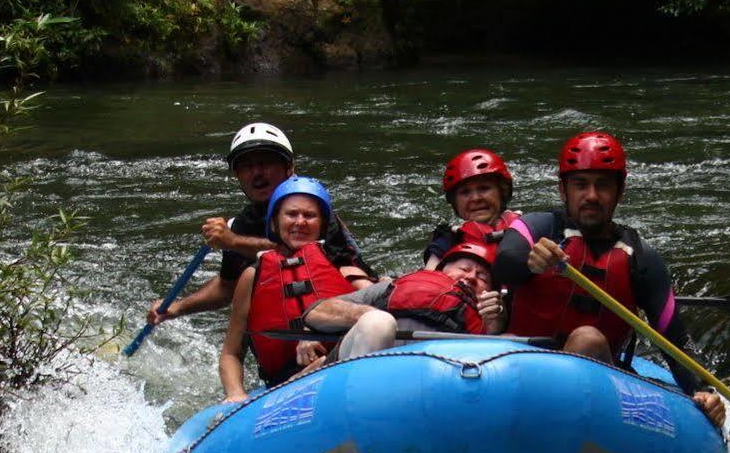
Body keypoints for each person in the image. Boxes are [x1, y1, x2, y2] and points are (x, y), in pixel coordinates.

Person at [492, 132, 727, 431]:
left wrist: (705, 390)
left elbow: (675, 340)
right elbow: (503, 264)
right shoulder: (536, 227)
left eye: (602, 185)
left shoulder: (641, 258)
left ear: (620, 192)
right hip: (521, 373)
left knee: (587, 339)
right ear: (563, 190)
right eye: (580, 184)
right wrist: (530, 263)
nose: (591, 195)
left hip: (598, 390)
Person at [148, 122, 373, 328]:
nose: (256, 173)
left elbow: (305, 253)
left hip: (348, 304)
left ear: (289, 167)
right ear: (238, 175)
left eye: (265, 163)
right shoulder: (240, 225)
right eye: (246, 166)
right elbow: (227, 287)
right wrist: (178, 307)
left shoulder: (313, 208)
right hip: (294, 320)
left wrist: (234, 242)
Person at [215, 176, 359, 402]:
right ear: (274, 223)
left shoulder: (343, 268)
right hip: (281, 385)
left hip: (341, 367)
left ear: (322, 225)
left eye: (309, 216)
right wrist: (235, 394)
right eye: (291, 214)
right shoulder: (252, 277)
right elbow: (231, 353)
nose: (300, 222)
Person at [300, 240, 506, 359]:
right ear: (441, 270)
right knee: (378, 323)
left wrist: (494, 324)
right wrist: (367, 313)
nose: (471, 277)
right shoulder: (398, 286)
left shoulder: (491, 315)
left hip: (434, 379)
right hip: (364, 361)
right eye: (464, 269)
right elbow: (314, 312)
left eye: (482, 277)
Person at [422, 149, 520, 269]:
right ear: (455, 202)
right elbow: (429, 278)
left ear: (502, 192)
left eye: (484, 188)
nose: (475, 198)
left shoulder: (527, 228)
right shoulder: (447, 240)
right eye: (465, 192)